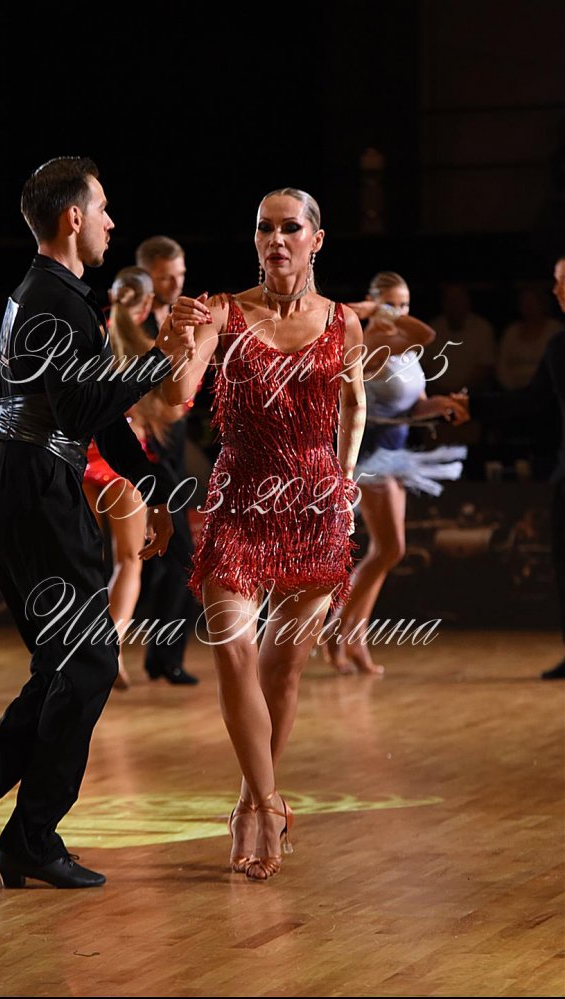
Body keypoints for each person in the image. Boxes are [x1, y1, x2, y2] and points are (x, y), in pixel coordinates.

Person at [0, 157, 193, 890]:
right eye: (104, 208)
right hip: (31, 485)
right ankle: (31, 832)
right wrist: (162, 357)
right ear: (73, 218)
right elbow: (85, 410)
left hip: (13, 478)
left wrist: (156, 492)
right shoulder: (56, 302)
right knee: (86, 660)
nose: (112, 223)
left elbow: (96, 419)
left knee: (67, 660)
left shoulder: (49, 296)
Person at [160, 188, 366, 880]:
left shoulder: (343, 322)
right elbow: (177, 396)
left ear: (316, 239)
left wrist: (346, 484)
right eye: (264, 228)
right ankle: (270, 801)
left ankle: (252, 800)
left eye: (290, 227)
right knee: (234, 653)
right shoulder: (222, 312)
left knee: (284, 669)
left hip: (314, 505)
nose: (276, 239)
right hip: (238, 500)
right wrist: (177, 342)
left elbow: (352, 409)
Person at [325, 271, 468, 675]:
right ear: (373, 303)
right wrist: (380, 313)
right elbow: (427, 334)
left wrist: (445, 404)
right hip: (370, 455)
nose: (399, 311)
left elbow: (416, 405)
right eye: (391, 303)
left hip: (396, 454)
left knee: (384, 551)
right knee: (390, 550)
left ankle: (351, 637)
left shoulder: (404, 349)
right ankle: (335, 630)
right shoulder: (372, 343)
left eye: (404, 304)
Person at [451, 255, 565, 680]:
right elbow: (532, 400)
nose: (554, 290)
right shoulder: (558, 347)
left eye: (560, 281)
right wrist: (475, 406)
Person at [82, 266, 183, 690]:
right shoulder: (147, 348)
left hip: (82, 457)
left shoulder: (91, 333)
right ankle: (112, 648)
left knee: (87, 563)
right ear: (146, 304)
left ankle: (79, 652)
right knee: (128, 561)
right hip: (122, 459)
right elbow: (174, 410)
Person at [135, 235, 199, 684]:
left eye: (180, 275)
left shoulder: (178, 319)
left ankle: (160, 658)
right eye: (165, 277)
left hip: (174, 446)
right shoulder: (129, 322)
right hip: (143, 449)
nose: (176, 284)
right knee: (181, 556)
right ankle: (164, 657)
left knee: (170, 559)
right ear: (146, 276)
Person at [424, 283, 496, 394]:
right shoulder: (433, 328)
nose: (454, 305)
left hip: (471, 394)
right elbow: (424, 364)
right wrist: (434, 390)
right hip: (436, 394)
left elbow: (485, 366)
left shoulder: (482, 329)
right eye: (450, 300)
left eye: (458, 300)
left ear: (467, 302)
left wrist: (461, 391)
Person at [496, 283, 561, 390]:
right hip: (514, 392)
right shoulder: (511, 332)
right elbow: (502, 366)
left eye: (531, 301)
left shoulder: (555, 330)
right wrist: (513, 388)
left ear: (542, 303)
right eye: (524, 301)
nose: (527, 306)